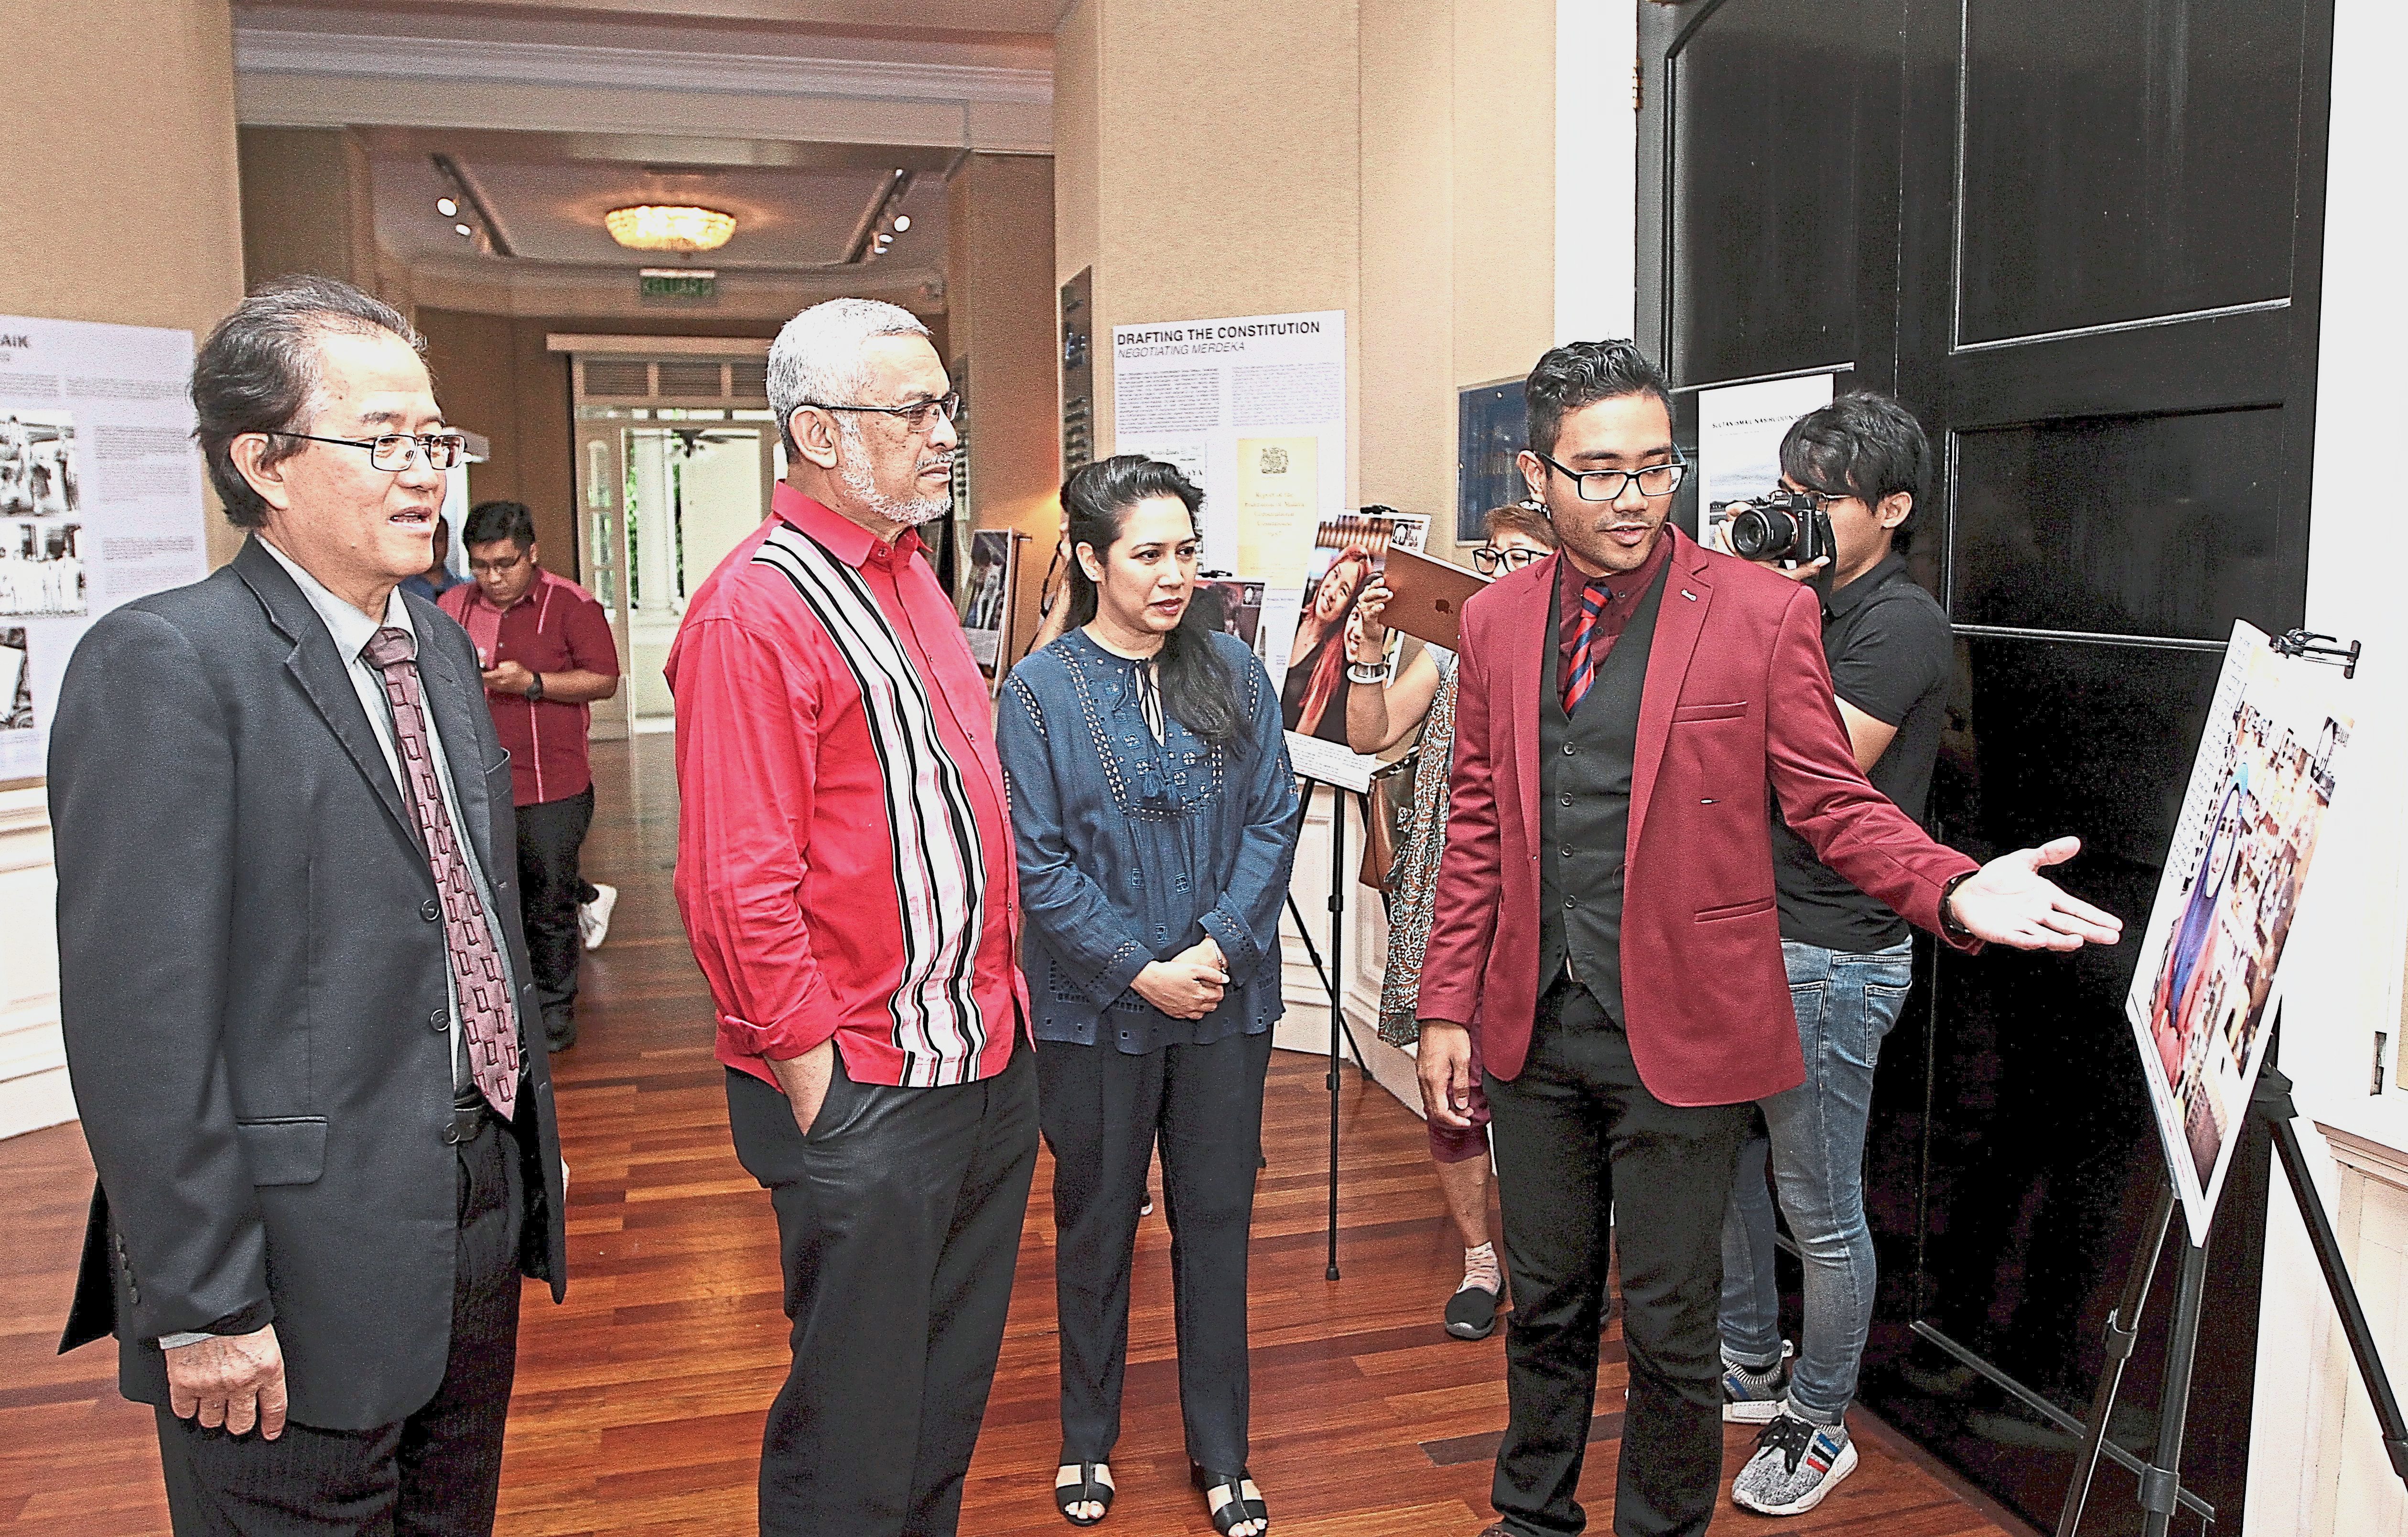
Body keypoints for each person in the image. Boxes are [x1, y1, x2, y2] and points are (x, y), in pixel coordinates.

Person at [1417, 339, 2123, 1537]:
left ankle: (1658, 1526)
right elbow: (1478, 821)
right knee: (1544, 1302)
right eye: (1596, 471)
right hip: (1531, 1022)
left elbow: (1829, 796)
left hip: (1683, 1025)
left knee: (1672, 1321)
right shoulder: (1491, 622)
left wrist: (1946, 889)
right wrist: (1444, 1003)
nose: (1632, 494)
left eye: (1653, 466)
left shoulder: (1754, 611)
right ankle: (1531, 1515)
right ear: (1537, 477)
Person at [49, 275, 567, 1535]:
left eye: (434, 439)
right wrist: (205, 1303)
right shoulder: (167, 663)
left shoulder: (438, 644)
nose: (424, 473)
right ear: (263, 462)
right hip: (290, 1249)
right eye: (382, 440)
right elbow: (140, 1035)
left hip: (475, 1202)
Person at [666, 296, 1038, 1537]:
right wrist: (818, 1082)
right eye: (917, 411)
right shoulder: (753, 609)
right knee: (852, 1426)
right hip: (867, 1087)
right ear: (818, 435)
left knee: (940, 1405)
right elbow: (734, 884)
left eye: (946, 408)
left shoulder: (910, 577)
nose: (945, 434)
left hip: (982, 1061)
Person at [998, 455, 1300, 1536]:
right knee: (1093, 1225)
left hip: (1227, 1003)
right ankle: (1087, 1435)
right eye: (1148, 554)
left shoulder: (1233, 669)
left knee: (1215, 1222)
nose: (1174, 575)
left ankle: (1223, 1451)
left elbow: (1273, 815)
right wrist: (1138, 967)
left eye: (1186, 552)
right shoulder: (1035, 693)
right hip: (1094, 1012)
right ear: (1088, 558)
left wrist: (1213, 947)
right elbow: (1036, 863)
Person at [1708, 392, 1955, 1516]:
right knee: (1726, 1174)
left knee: (1816, 1201)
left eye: (1815, 503)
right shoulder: (1793, 601)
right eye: (1781, 496)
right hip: (1748, 933)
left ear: (1891, 508)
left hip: (1832, 950)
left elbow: (1804, 773)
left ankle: (1818, 1419)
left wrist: (1779, 609)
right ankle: (1748, 1364)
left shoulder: (1896, 621)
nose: (1789, 518)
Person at [1345, 503, 1557, 1341]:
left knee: (1547, 1092)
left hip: (1544, 902)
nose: (1502, 570)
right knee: (1454, 1095)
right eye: (1492, 555)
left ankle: (1553, 1265)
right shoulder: (1449, 648)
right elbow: (1370, 736)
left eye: (1523, 555)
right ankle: (1479, 1259)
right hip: (1452, 894)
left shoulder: (1579, 657)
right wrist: (1366, 653)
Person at [438, 499, 622, 1053]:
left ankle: (553, 1015)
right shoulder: (449, 605)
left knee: (548, 906)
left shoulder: (572, 605)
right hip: (473, 787)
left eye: (505, 563)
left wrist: (534, 683)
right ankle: (502, 1014)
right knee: (494, 905)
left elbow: (605, 681)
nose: (492, 578)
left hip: (552, 785)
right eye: (480, 565)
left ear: (532, 554)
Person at [1279, 541, 1373, 737]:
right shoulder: (1290, 617)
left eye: (1344, 591)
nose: (1331, 593)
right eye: (1335, 575)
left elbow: (1305, 730)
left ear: (1349, 607)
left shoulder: (1331, 660)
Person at [400, 515, 461, 602]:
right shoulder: (400, 589)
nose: (432, 547)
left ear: (447, 542)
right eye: (425, 539)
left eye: (439, 539)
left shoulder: (463, 586)